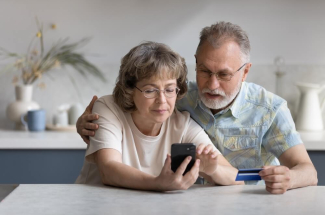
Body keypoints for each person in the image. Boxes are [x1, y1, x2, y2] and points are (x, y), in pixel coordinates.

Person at [77, 22, 318, 194]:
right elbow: (122, 103)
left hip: (250, 202)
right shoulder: (181, 97)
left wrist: (289, 178)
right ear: (195, 64)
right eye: (204, 71)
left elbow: (308, 171)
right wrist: (85, 125)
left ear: (245, 71)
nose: (212, 85)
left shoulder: (269, 109)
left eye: (223, 74)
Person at [75, 41, 242, 191]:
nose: (162, 100)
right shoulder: (108, 108)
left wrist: (213, 170)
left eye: (169, 90)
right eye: (150, 90)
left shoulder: (181, 124)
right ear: (130, 90)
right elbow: (109, 170)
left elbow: (237, 179)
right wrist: (157, 183)